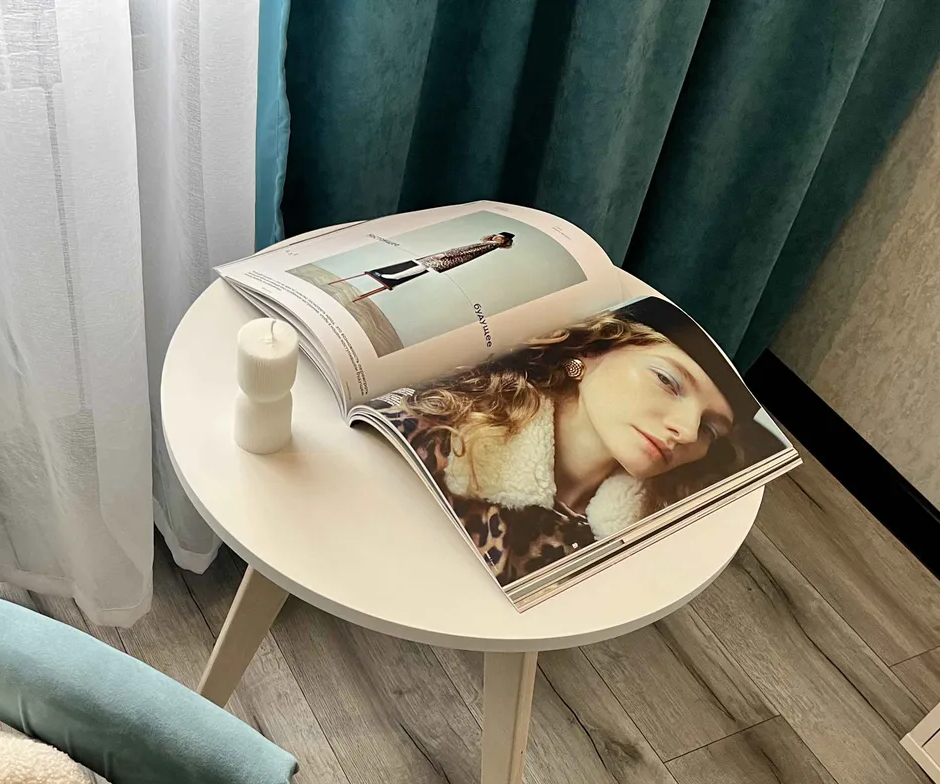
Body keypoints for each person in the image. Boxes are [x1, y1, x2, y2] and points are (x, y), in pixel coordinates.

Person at [376, 298, 783, 585]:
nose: (689, 432)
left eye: (710, 430)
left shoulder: (649, 541)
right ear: (592, 350)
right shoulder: (437, 436)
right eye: (667, 381)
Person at [331, 232, 515, 302]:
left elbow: (466, 250)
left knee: (421, 266)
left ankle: (392, 277)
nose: (496, 238)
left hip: (448, 258)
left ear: (502, 241)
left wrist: (446, 255)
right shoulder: (489, 245)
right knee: (421, 266)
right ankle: (392, 277)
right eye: (497, 236)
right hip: (449, 259)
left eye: (500, 238)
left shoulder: (489, 246)